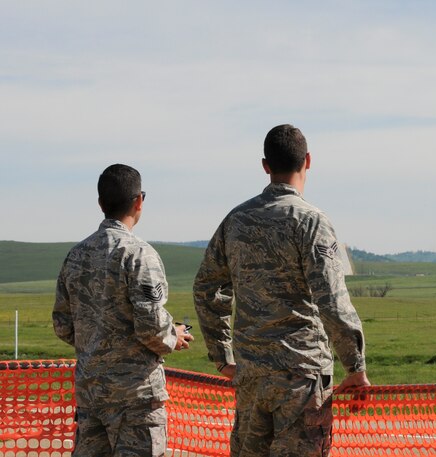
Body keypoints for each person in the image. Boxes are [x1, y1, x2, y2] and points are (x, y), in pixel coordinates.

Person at [194, 124, 370, 457]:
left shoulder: (236, 220)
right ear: (308, 160)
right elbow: (332, 300)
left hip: (251, 378)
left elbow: (206, 288)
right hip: (301, 377)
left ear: (265, 166)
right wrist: (355, 367)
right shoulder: (312, 222)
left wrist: (223, 357)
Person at [52, 163, 194, 457]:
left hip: (91, 393)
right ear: (139, 200)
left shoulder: (76, 255)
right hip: (136, 399)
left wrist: (98, 344)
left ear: (101, 202)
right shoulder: (139, 254)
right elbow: (151, 328)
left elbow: (63, 325)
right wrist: (173, 336)